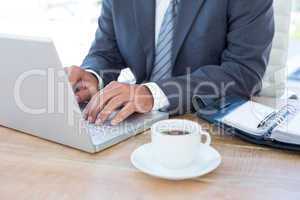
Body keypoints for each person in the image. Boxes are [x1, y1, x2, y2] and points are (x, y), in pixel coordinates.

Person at [66, 0, 274, 125]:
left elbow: (243, 73)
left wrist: (152, 93)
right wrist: (92, 76)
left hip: (207, 128)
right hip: (134, 123)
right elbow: (106, 51)